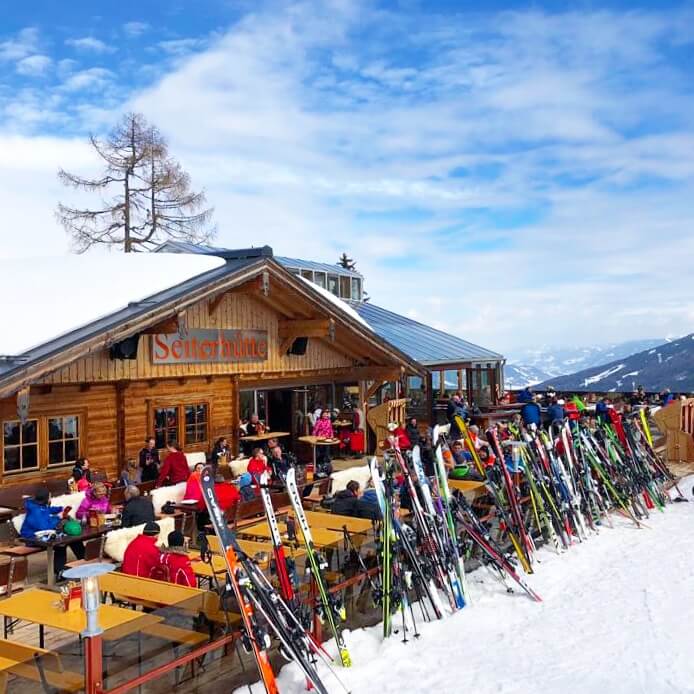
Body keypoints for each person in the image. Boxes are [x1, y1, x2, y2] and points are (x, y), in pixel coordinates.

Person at [20, 488, 84, 580]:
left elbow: (48, 510)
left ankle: (85, 561)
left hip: (44, 535)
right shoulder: (36, 511)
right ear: (46, 498)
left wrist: (61, 509)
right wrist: (59, 519)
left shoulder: (40, 506)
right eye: (50, 497)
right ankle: (60, 571)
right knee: (61, 544)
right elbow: (45, 526)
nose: (50, 498)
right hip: (33, 538)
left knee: (74, 540)